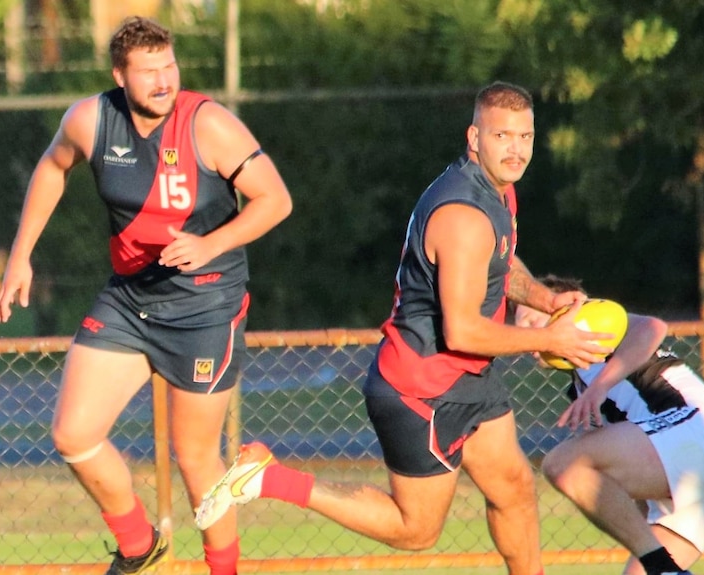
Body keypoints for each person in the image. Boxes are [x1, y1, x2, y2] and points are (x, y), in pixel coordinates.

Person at [194, 81, 615, 575]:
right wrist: (549, 338)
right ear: (474, 138)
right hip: (421, 388)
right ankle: (273, 477)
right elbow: (462, 332)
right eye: (502, 136)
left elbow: (499, 262)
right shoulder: (463, 216)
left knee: (515, 490)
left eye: (525, 136)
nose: (516, 149)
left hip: (468, 378)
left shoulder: (498, 193)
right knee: (416, 530)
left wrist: (545, 300)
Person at [0, 16, 292, 575]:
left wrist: (211, 244)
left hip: (206, 308)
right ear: (119, 76)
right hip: (131, 300)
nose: (163, 81)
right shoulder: (90, 119)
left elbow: (274, 200)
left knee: (198, 459)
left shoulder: (209, 124)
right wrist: (20, 254)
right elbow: (53, 167)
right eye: (148, 71)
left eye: (169, 67)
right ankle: (139, 545)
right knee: (73, 434)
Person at [514, 275, 704, 575]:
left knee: (562, 464)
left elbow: (652, 327)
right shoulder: (581, 386)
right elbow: (619, 481)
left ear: (568, 309)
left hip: (699, 434)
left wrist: (600, 386)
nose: (527, 336)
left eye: (532, 322)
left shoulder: (599, 328)